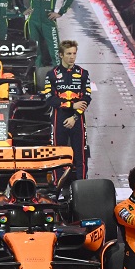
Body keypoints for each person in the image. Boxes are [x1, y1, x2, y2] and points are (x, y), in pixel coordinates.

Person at [42, 40, 92, 179]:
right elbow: (50, 99)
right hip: (59, 119)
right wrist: (71, 105)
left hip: (77, 120)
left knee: (80, 156)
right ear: (61, 55)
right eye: (69, 53)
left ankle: (81, 187)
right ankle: (58, 186)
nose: (72, 57)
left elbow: (87, 98)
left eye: (74, 53)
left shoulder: (83, 74)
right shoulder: (51, 74)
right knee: (58, 155)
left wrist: (74, 117)